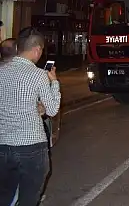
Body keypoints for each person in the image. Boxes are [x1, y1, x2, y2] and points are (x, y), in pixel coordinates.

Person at [0, 30, 61, 206]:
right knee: (29, 197)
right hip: (30, 147)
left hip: (3, 146)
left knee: (4, 195)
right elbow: (52, 109)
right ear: (37, 50)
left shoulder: (1, 71)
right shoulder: (39, 75)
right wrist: (54, 82)